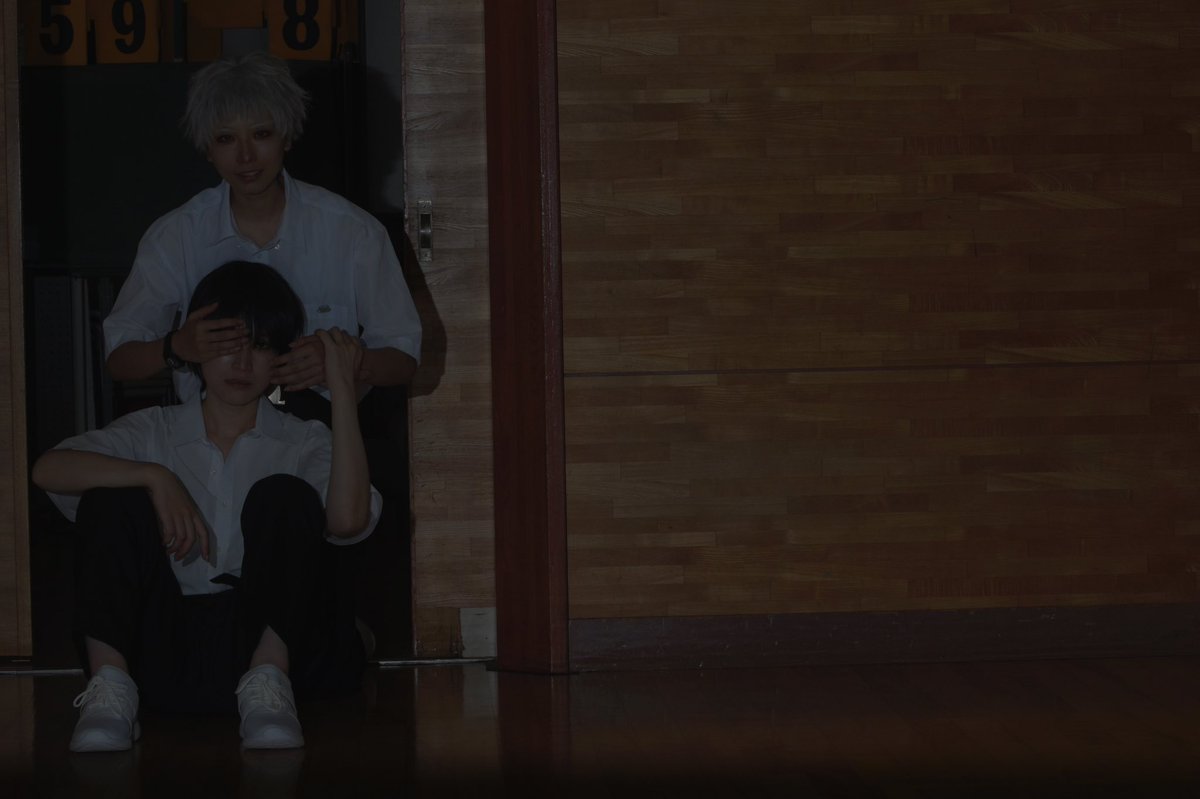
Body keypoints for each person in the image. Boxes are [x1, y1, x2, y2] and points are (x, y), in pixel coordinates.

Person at [32, 261, 381, 752]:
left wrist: (342, 389)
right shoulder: (154, 429)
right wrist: (154, 476)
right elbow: (47, 469)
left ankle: (269, 680)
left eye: (261, 346)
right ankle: (110, 689)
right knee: (110, 496)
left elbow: (347, 522)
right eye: (227, 344)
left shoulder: (304, 439)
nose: (243, 364)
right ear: (196, 347)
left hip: (270, 644)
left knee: (284, 495)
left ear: (279, 357)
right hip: (165, 648)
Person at [103, 50, 421, 407]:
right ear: (207, 148)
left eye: (261, 134)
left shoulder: (353, 231)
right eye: (226, 139)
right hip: (209, 433)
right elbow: (118, 359)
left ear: (287, 137)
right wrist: (175, 347)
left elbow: (404, 358)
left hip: (326, 430)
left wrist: (345, 361)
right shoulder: (175, 236)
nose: (245, 157)